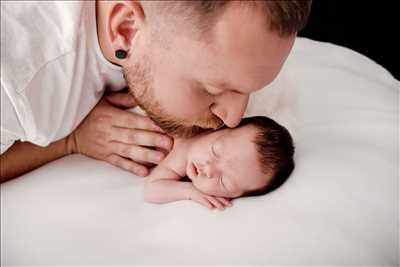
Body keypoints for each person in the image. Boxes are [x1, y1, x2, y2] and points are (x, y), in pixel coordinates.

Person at [0, 1, 311, 181]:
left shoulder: (166, 31)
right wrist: (70, 140)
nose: (232, 120)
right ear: (126, 30)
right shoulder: (19, 79)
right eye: (213, 89)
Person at [144, 116, 295, 210]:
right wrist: (188, 191)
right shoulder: (186, 148)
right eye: (215, 150)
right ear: (216, 129)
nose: (208, 169)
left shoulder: (201, 153)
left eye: (224, 182)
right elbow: (151, 190)